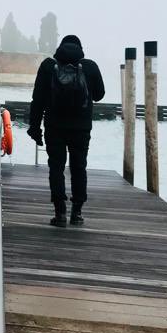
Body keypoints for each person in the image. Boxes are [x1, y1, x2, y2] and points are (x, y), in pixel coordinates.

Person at [26, 34, 106, 227]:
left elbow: (37, 100)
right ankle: (77, 213)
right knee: (79, 168)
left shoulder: (47, 66)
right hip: (81, 129)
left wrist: (34, 127)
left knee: (56, 168)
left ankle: (60, 213)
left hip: (54, 127)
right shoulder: (90, 66)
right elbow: (99, 95)